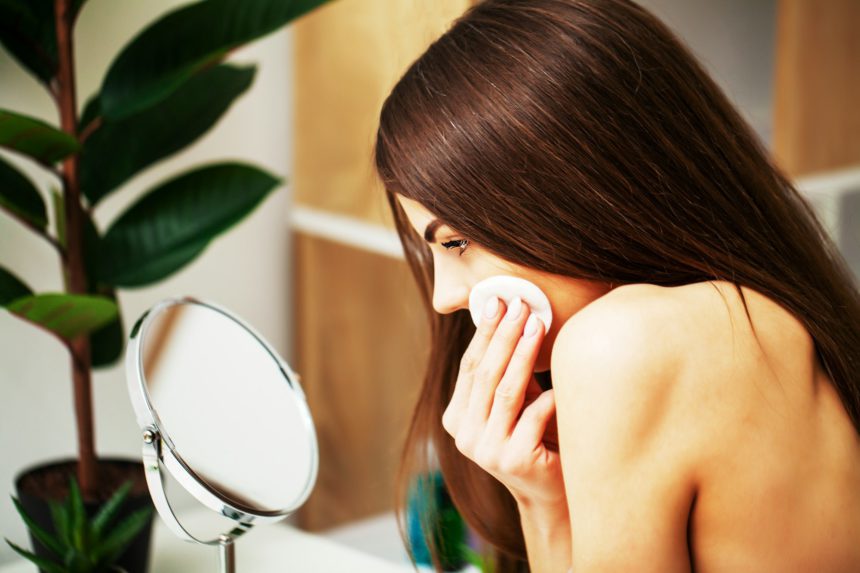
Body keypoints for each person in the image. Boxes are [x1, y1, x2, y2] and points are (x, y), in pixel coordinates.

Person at [373, 0, 860, 571]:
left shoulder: (625, 343)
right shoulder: (762, 317)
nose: (444, 297)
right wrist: (542, 498)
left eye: (454, 243)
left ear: (580, 191)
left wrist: (543, 509)